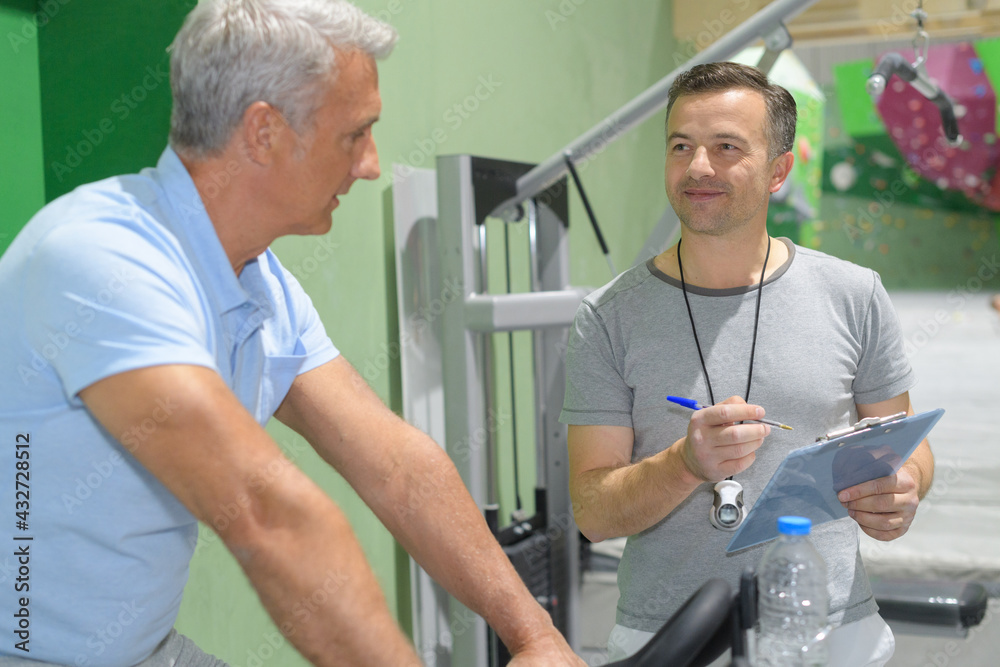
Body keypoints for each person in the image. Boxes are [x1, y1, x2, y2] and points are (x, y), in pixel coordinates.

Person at [0, 1, 583, 665]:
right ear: (264, 132)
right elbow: (269, 518)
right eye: (355, 134)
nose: (370, 164)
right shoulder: (99, 262)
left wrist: (536, 636)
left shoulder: (258, 283)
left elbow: (396, 466)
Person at [561, 62, 934, 666]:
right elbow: (594, 513)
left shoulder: (854, 294)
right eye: (681, 146)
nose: (698, 166)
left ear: (778, 170)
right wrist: (684, 464)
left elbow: (908, 445)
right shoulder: (608, 316)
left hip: (834, 634)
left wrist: (904, 488)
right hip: (671, 641)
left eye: (726, 147)